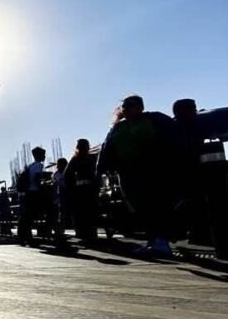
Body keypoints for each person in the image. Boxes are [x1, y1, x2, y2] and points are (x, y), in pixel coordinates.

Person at [97, 95, 181, 255]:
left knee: (157, 204)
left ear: (141, 107)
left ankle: (162, 240)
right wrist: (100, 170)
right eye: (125, 106)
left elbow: (175, 135)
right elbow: (106, 148)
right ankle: (154, 240)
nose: (127, 108)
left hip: (153, 169)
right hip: (128, 173)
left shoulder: (154, 119)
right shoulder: (117, 128)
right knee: (139, 207)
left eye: (132, 105)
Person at [65, 139, 99, 242]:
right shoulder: (92, 158)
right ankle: (91, 233)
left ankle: (83, 233)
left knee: (81, 212)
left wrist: (71, 187)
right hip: (90, 187)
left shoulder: (75, 159)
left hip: (80, 188)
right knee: (90, 211)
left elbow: (67, 174)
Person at [17, 146, 46, 246]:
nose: (45, 157)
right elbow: (37, 179)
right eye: (43, 155)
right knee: (31, 215)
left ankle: (23, 237)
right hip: (33, 192)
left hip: (27, 192)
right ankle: (29, 238)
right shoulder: (39, 165)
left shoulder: (30, 166)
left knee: (26, 216)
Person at [50, 157, 69, 243]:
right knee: (61, 214)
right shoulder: (56, 174)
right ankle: (60, 231)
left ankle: (61, 230)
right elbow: (54, 186)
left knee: (64, 213)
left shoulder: (68, 172)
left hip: (67, 193)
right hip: (60, 194)